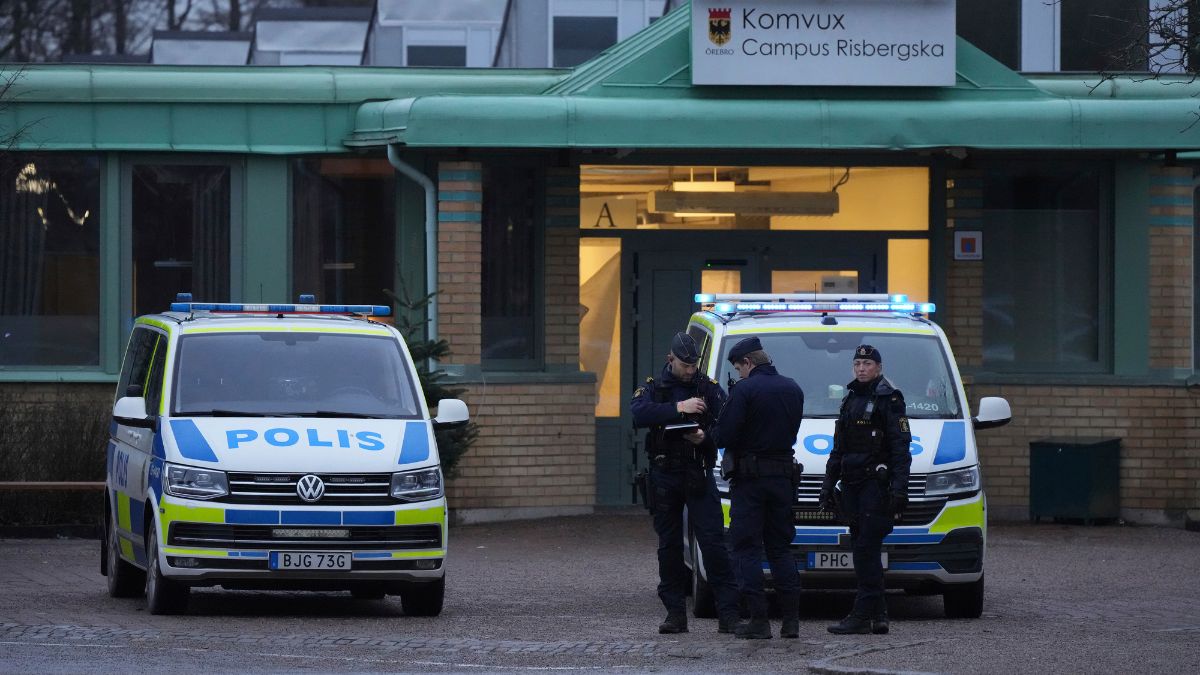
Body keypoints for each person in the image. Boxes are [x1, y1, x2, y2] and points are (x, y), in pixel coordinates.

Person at [631, 332, 741, 635]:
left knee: (713, 543)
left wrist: (705, 438)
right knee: (668, 547)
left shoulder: (707, 388)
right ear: (671, 360)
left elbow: (728, 426)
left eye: (694, 365)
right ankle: (675, 613)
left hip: (697, 472)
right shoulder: (655, 387)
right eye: (685, 365)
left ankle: (728, 614)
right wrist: (679, 408)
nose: (690, 370)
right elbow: (638, 413)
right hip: (665, 474)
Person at [711, 336, 804, 640]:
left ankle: (759, 621)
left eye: (739, 368)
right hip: (782, 479)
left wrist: (707, 435)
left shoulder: (745, 390)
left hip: (750, 482)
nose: (738, 374)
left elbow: (724, 434)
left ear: (748, 363)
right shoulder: (793, 388)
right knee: (780, 549)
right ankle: (791, 623)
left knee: (747, 549)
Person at [820, 344, 913, 635]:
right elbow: (838, 450)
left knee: (864, 550)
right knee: (866, 549)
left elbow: (901, 449)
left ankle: (861, 616)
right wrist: (826, 486)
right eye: (857, 363)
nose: (861, 368)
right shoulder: (849, 400)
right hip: (852, 486)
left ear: (879, 368)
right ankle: (879, 614)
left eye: (867, 364)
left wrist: (900, 490)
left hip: (876, 486)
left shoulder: (890, 400)